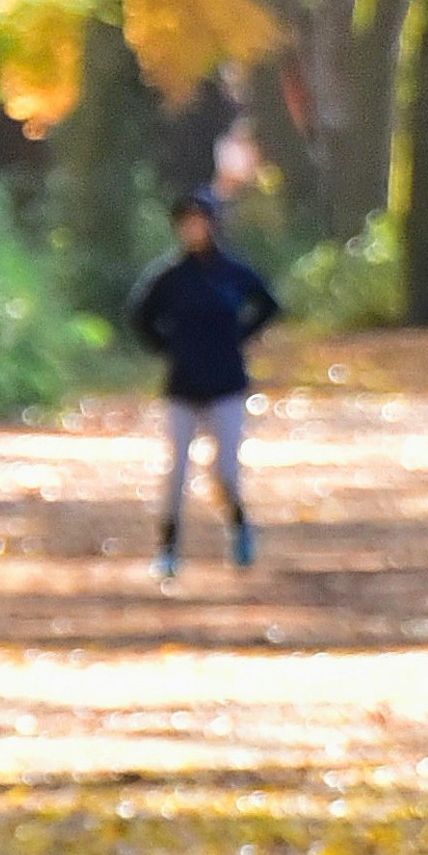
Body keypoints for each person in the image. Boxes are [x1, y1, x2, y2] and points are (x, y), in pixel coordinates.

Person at [127, 192, 282, 580]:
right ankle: (168, 549)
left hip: (227, 385)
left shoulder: (233, 273)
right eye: (187, 221)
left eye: (200, 220)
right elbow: (140, 316)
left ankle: (238, 524)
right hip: (183, 388)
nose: (194, 228)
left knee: (225, 471)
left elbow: (268, 304)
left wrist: (239, 337)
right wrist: (169, 348)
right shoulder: (170, 278)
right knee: (176, 472)